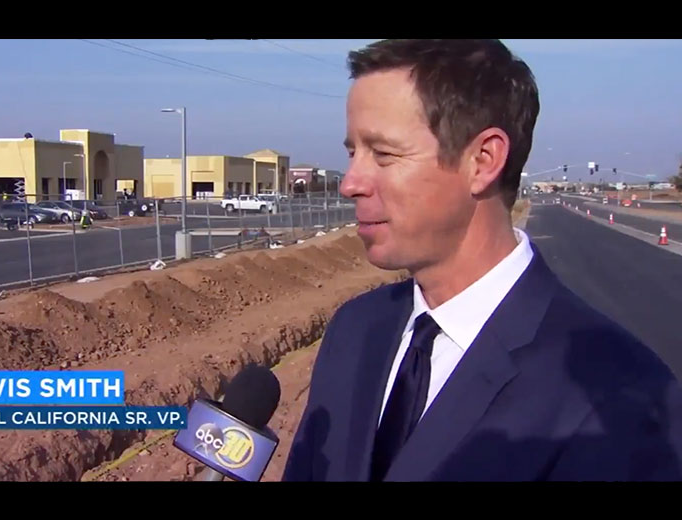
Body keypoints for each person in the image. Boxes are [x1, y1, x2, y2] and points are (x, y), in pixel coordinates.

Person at [282, 39, 682, 482]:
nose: (350, 183)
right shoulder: (354, 330)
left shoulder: (618, 395)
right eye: (352, 152)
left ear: (483, 161)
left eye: (384, 154)